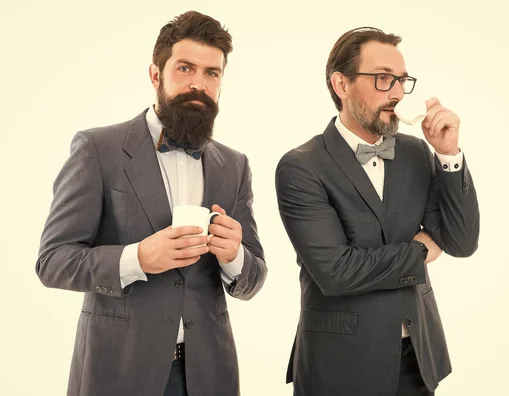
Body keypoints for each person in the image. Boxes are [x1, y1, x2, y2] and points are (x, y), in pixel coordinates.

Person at [35, 11, 267, 396]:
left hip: (209, 375)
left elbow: (253, 278)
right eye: (186, 68)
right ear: (156, 75)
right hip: (118, 372)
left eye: (212, 73)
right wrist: (138, 258)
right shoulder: (98, 149)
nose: (199, 84)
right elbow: (52, 262)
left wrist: (234, 256)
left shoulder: (235, 165)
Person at [275, 27, 480, 396]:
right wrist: (417, 251)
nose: (398, 93)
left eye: (402, 81)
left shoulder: (417, 153)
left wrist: (448, 155)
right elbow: (336, 272)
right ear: (341, 84)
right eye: (384, 79)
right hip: (339, 366)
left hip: (418, 358)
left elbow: (461, 242)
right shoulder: (301, 167)